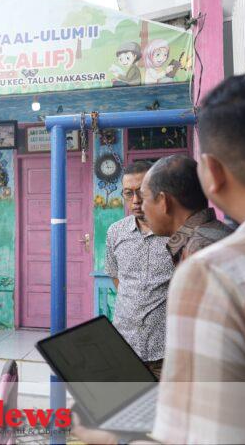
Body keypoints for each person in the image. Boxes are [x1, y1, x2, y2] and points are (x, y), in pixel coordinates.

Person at [75, 68, 245, 444]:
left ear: (211, 174)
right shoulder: (124, 235)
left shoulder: (220, 274)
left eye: (143, 194)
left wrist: (110, 438)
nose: (136, 202)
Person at [104, 161, 174, 378]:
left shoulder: (176, 232)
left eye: (141, 192)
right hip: (125, 346)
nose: (135, 200)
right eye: (128, 193)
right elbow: (117, 278)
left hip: (167, 350)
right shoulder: (115, 232)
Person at [140, 154, 233, 266]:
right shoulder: (215, 235)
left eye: (143, 197)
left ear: (163, 201)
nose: (142, 208)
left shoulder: (199, 251)